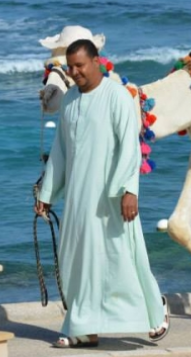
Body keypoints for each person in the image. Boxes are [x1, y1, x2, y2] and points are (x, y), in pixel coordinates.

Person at [33, 38, 168, 349]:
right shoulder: (68, 101)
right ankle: (84, 328)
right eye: (70, 67)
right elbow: (61, 151)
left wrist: (129, 191)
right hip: (79, 198)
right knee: (78, 260)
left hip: (112, 197)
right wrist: (47, 193)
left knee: (121, 257)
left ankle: (154, 312)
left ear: (96, 61)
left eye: (80, 65)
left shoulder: (117, 96)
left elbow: (129, 147)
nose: (75, 71)